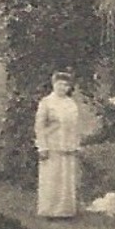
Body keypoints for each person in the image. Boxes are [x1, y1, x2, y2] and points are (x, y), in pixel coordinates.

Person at [35, 72, 82, 218]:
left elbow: (76, 126)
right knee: (51, 177)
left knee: (66, 178)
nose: (63, 87)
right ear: (53, 84)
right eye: (60, 84)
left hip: (68, 145)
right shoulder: (46, 102)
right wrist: (42, 146)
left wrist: (76, 144)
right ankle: (49, 211)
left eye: (66, 85)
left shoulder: (70, 103)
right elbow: (39, 126)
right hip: (52, 145)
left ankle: (66, 211)